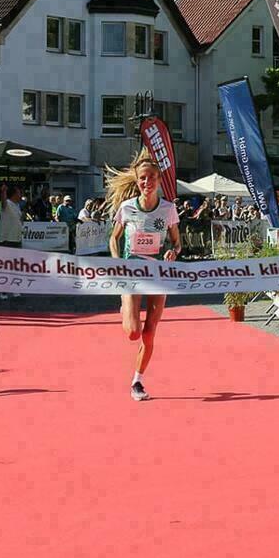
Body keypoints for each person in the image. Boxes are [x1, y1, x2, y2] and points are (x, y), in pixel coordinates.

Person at [107, 151, 181, 402]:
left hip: (157, 275)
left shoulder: (168, 209)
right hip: (132, 275)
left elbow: (177, 243)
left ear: (159, 180)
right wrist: (117, 262)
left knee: (149, 333)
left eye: (151, 177)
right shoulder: (127, 208)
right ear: (137, 181)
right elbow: (113, 238)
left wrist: (173, 252)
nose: (146, 182)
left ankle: (137, 381)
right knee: (133, 333)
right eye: (142, 178)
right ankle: (124, 303)